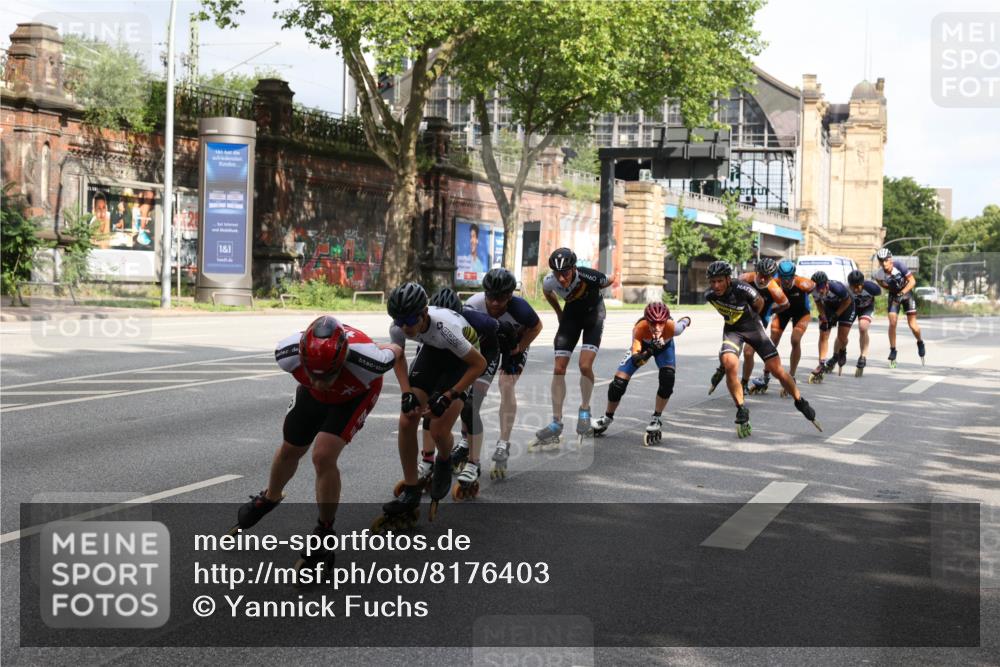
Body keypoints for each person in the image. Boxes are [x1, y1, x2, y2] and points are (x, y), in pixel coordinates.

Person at [229, 316, 405, 574]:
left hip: (354, 395)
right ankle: (270, 497)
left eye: (329, 374)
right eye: (314, 374)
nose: (322, 380)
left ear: (343, 359)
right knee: (291, 448)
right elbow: (319, 382)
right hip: (312, 396)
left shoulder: (371, 361)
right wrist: (320, 381)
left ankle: (325, 530)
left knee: (323, 455)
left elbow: (397, 350)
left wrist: (408, 391)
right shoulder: (286, 353)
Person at [375, 282, 487, 529]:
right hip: (434, 352)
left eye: (410, 320)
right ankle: (412, 490)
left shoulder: (445, 327)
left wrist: (449, 395)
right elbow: (399, 357)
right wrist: (407, 393)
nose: (405, 327)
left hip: (462, 359)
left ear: (424, 312)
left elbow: (478, 365)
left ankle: (444, 460)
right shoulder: (400, 327)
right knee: (407, 418)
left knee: (437, 429)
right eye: (399, 320)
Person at [704, 261, 820, 437]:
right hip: (733, 331)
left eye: (719, 281)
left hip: (753, 327)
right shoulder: (710, 295)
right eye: (712, 282)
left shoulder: (744, 287)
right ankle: (741, 409)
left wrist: (754, 317)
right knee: (729, 364)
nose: (716, 285)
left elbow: (760, 304)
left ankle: (800, 401)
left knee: (777, 370)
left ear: (728, 279)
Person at [420, 288, 513, 499]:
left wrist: (509, 359)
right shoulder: (429, 325)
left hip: (484, 354)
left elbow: (507, 332)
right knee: (431, 403)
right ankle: (427, 460)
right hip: (452, 356)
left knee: (471, 407)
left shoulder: (477, 319)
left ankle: (473, 463)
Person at [534, 247, 617, 448]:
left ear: (573, 269)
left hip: (593, 316)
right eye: (557, 274)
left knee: (584, 366)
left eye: (565, 273)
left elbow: (611, 278)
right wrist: (558, 312)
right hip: (571, 317)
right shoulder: (550, 281)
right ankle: (556, 422)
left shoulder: (589, 276)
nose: (561, 279)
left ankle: (585, 411)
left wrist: (596, 294)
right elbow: (547, 292)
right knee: (558, 369)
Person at [465, 268, 543, 478]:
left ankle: (503, 443)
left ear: (510, 296)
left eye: (502, 298)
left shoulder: (521, 308)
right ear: (485, 294)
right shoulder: (474, 304)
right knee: (475, 393)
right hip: (487, 345)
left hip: (513, 343)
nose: (496, 303)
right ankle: (466, 440)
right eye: (491, 297)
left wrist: (519, 347)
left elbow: (537, 327)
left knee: (506, 385)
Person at [591, 302, 691, 446]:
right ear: (647, 321)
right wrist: (650, 349)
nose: (657, 327)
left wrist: (687, 319)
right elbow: (637, 360)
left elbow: (684, 323)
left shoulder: (672, 328)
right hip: (643, 349)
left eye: (661, 323)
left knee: (668, 379)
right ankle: (607, 418)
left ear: (666, 321)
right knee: (618, 384)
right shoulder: (640, 329)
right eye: (653, 323)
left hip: (665, 348)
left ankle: (656, 418)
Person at [738, 258, 790, 395]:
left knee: (748, 352)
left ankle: (743, 383)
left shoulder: (774, 288)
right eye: (761, 275)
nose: (762, 280)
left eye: (767, 277)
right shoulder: (744, 278)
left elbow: (786, 305)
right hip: (741, 316)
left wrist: (772, 311)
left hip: (759, 319)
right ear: (756, 271)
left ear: (772, 277)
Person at [769, 260, 816, 396]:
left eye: (789, 279)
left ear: (793, 276)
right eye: (783, 279)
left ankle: (792, 375)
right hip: (783, 311)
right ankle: (765, 375)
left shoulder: (804, 283)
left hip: (801, 313)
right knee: (772, 342)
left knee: (795, 340)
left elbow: (817, 290)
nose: (786, 282)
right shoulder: (775, 282)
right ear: (779, 276)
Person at [873, 248, 925, 367]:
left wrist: (901, 293)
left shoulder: (900, 266)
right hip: (894, 296)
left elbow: (912, 282)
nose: (884, 263)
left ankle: (920, 342)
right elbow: (880, 281)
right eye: (881, 261)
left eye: (886, 260)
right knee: (892, 322)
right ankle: (893, 350)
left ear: (890, 259)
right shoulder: (879, 273)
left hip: (906, 294)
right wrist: (888, 287)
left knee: (913, 326)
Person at [808, 271, 856, 383]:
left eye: (821, 286)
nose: (819, 290)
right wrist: (824, 317)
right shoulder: (814, 291)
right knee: (823, 333)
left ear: (826, 284)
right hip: (829, 307)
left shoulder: (836, 288)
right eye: (817, 287)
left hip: (847, 306)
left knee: (842, 338)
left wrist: (836, 315)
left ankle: (842, 350)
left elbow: (847, 301)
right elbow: (819, 304)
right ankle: (821, 364)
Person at [847, 269, 882, 376]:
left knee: (863, 327)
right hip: (852, 307)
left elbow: (880, 293)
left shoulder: (872, 288)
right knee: (843, 331)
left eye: (858, 287)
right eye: (854, 287)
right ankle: (836, 355)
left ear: (863, 284)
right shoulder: (846, 289)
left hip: (866, 308)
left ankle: (863, 356)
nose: (856, 290)